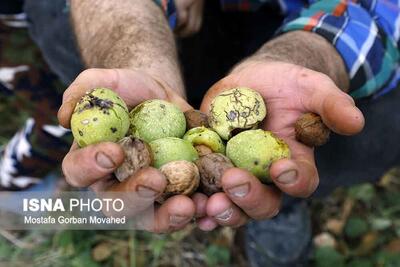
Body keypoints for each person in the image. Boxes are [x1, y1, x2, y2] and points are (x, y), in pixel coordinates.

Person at [1, 0, 400, 266]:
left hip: (318, 16)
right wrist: (134, 51)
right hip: (177, 21)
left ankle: (282, 198)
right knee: (59, 19)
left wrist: (311, 53)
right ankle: (38, 152)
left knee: (375, 125)